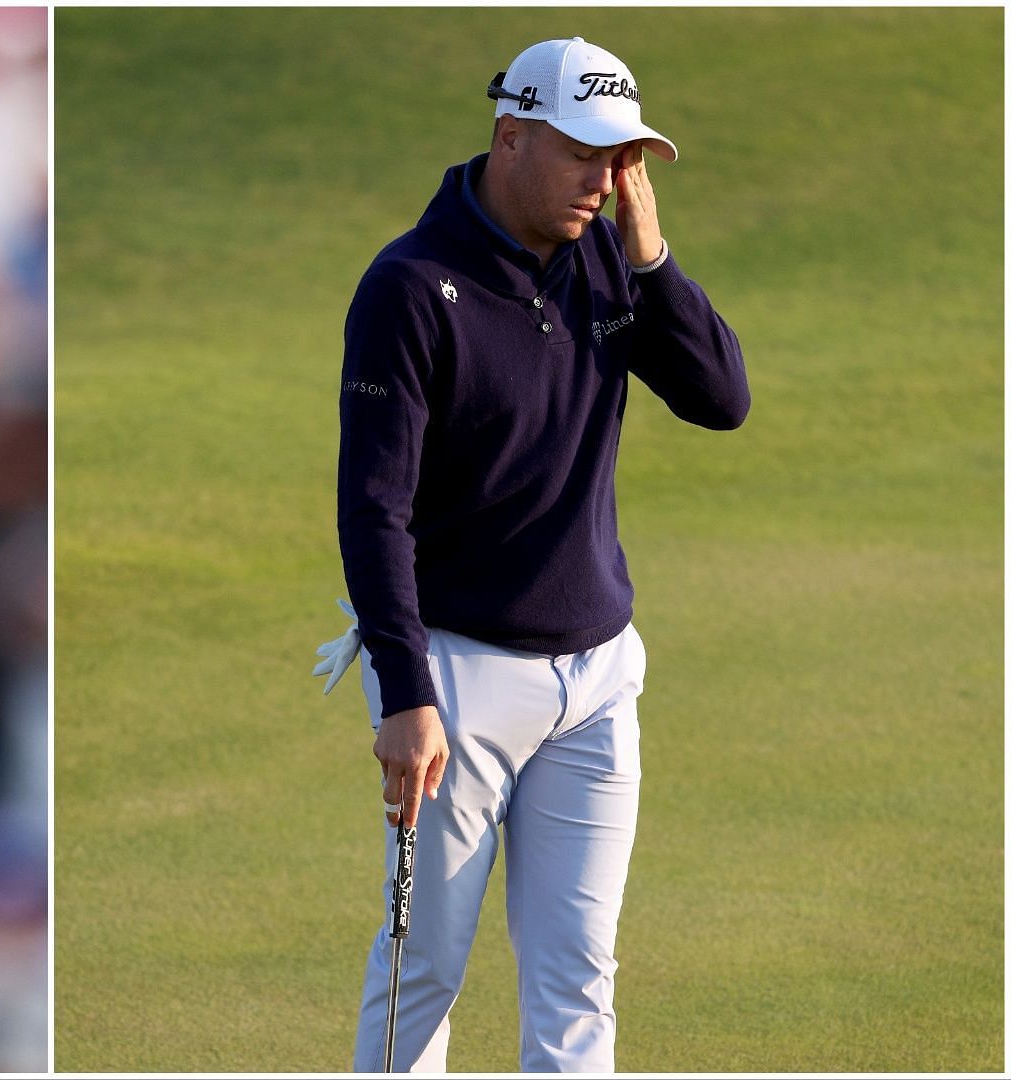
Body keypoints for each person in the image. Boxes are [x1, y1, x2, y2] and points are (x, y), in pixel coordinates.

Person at [312, 36, 748, 1072]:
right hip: (457, 681)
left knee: (579, 975)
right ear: (511, 137)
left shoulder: (606, 253)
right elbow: (372, 508)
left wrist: (651, 256)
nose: (604, 181)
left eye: (623, 159)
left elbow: (721, 399)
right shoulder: (411, 287)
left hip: (597, 678)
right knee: (423, 966)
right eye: (584, 154)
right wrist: (405, 692)